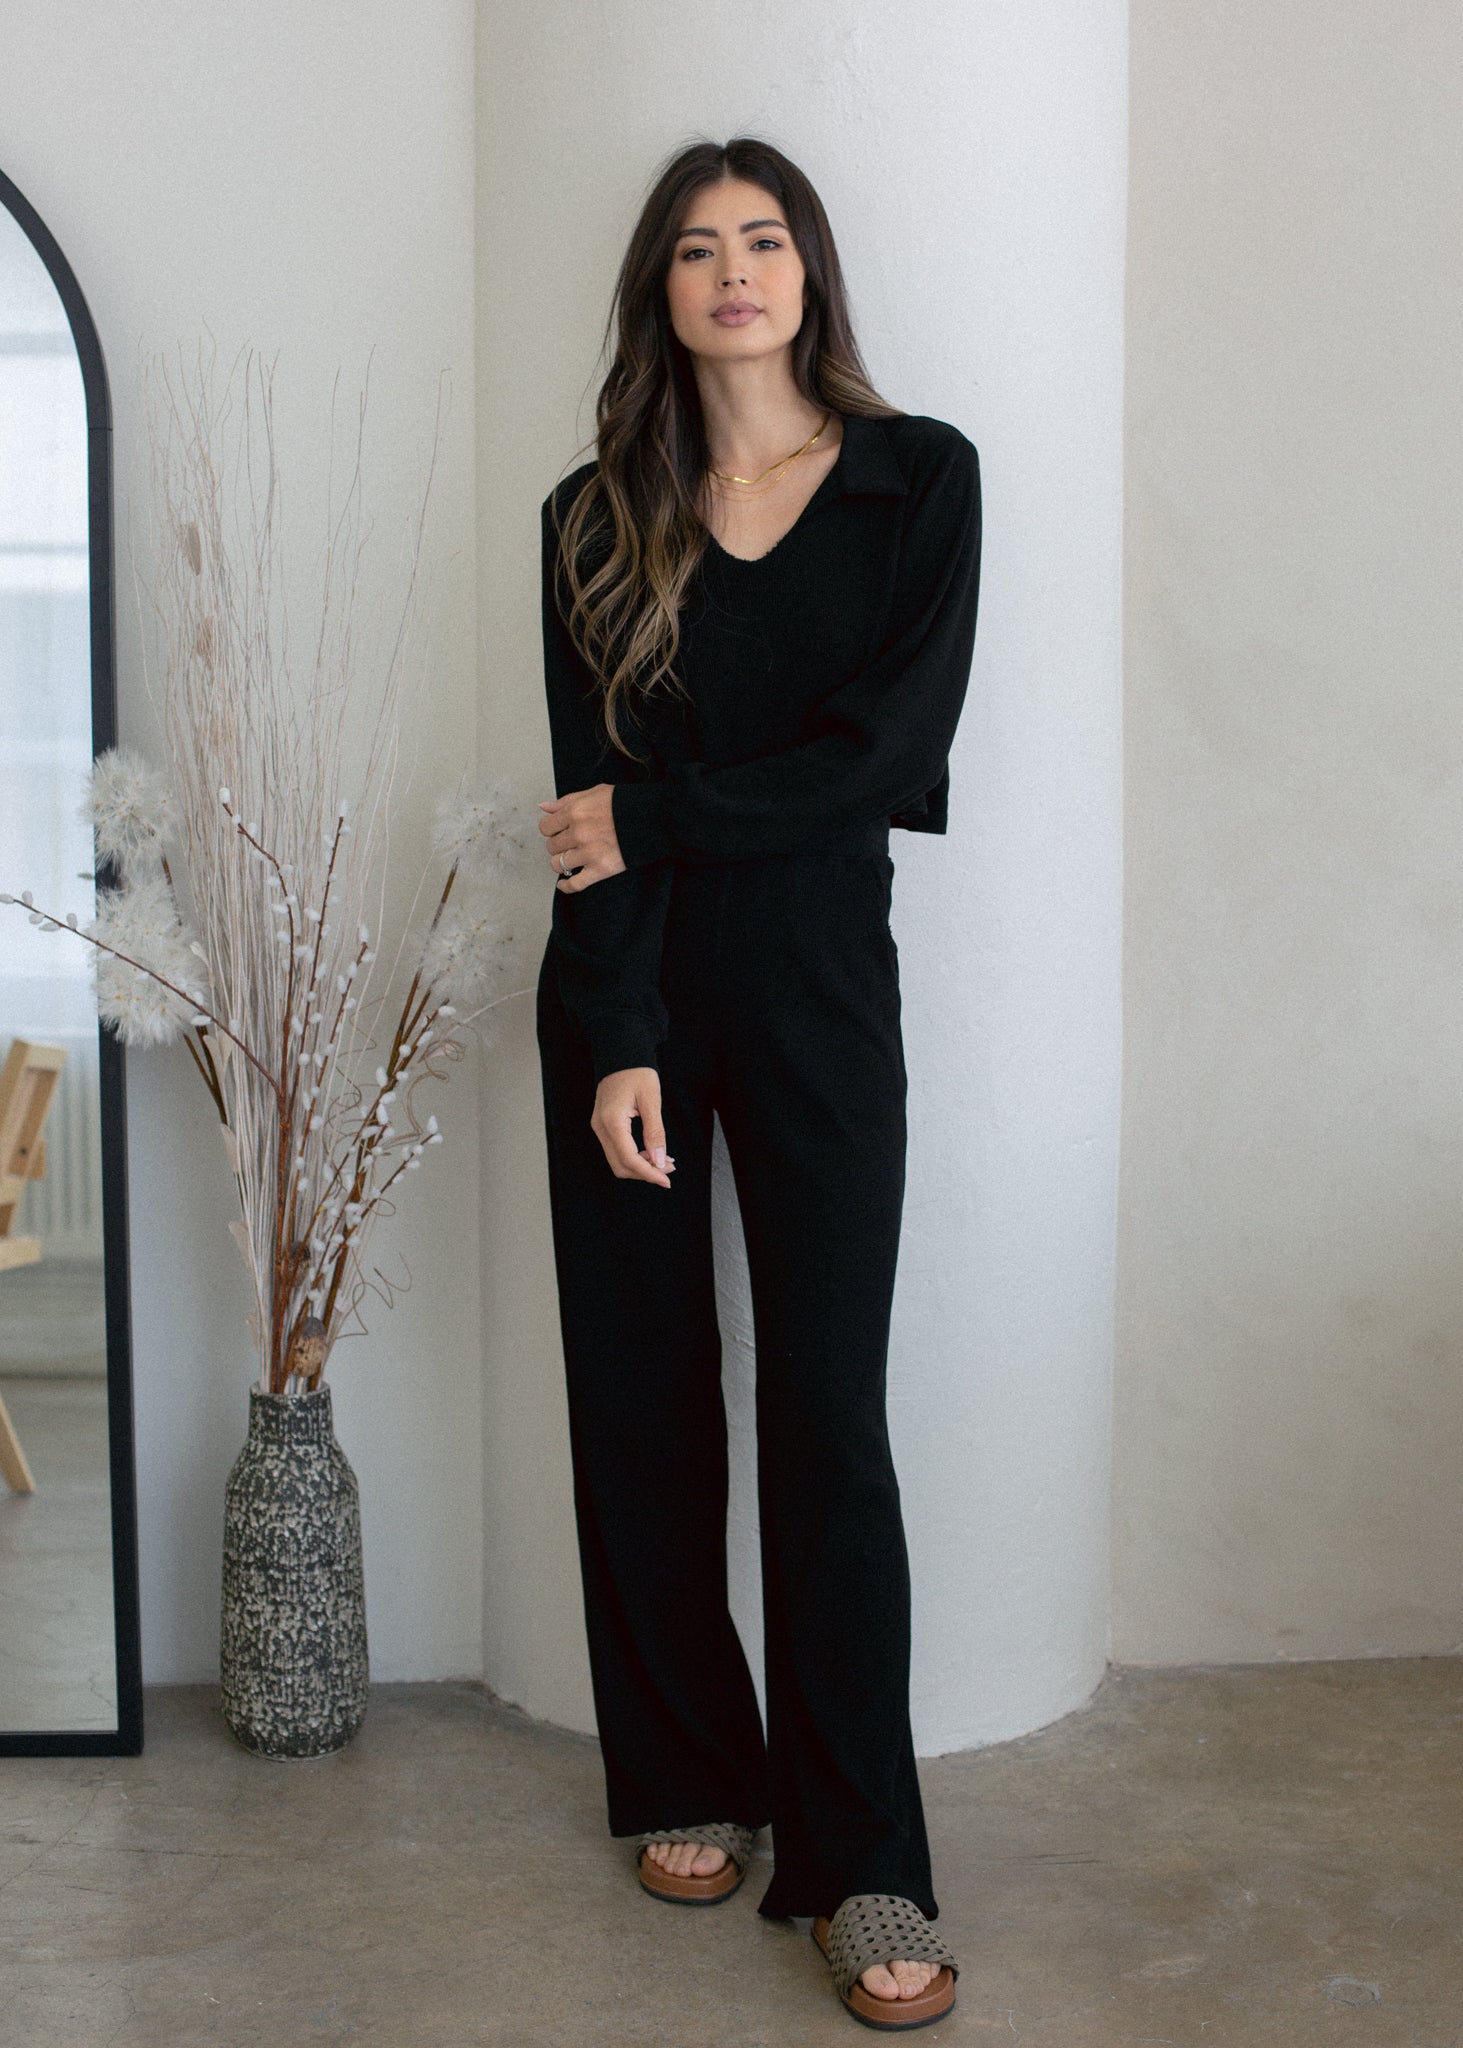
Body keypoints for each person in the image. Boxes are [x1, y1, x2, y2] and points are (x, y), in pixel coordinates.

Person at [533, 135, 981, 2032]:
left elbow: (883, 757)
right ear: (663, 288)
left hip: (815, 991)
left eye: (768, 240)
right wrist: (618, 1027)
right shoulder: (593, 513)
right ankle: (685, 1775)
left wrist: (649, 813)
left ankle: (864, 1859)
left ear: (812, 273)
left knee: (826, 1420)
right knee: (642, 1396)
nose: (737, 272)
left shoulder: (914, 480)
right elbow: (580, 818)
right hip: (635, 995)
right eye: (701, 248)